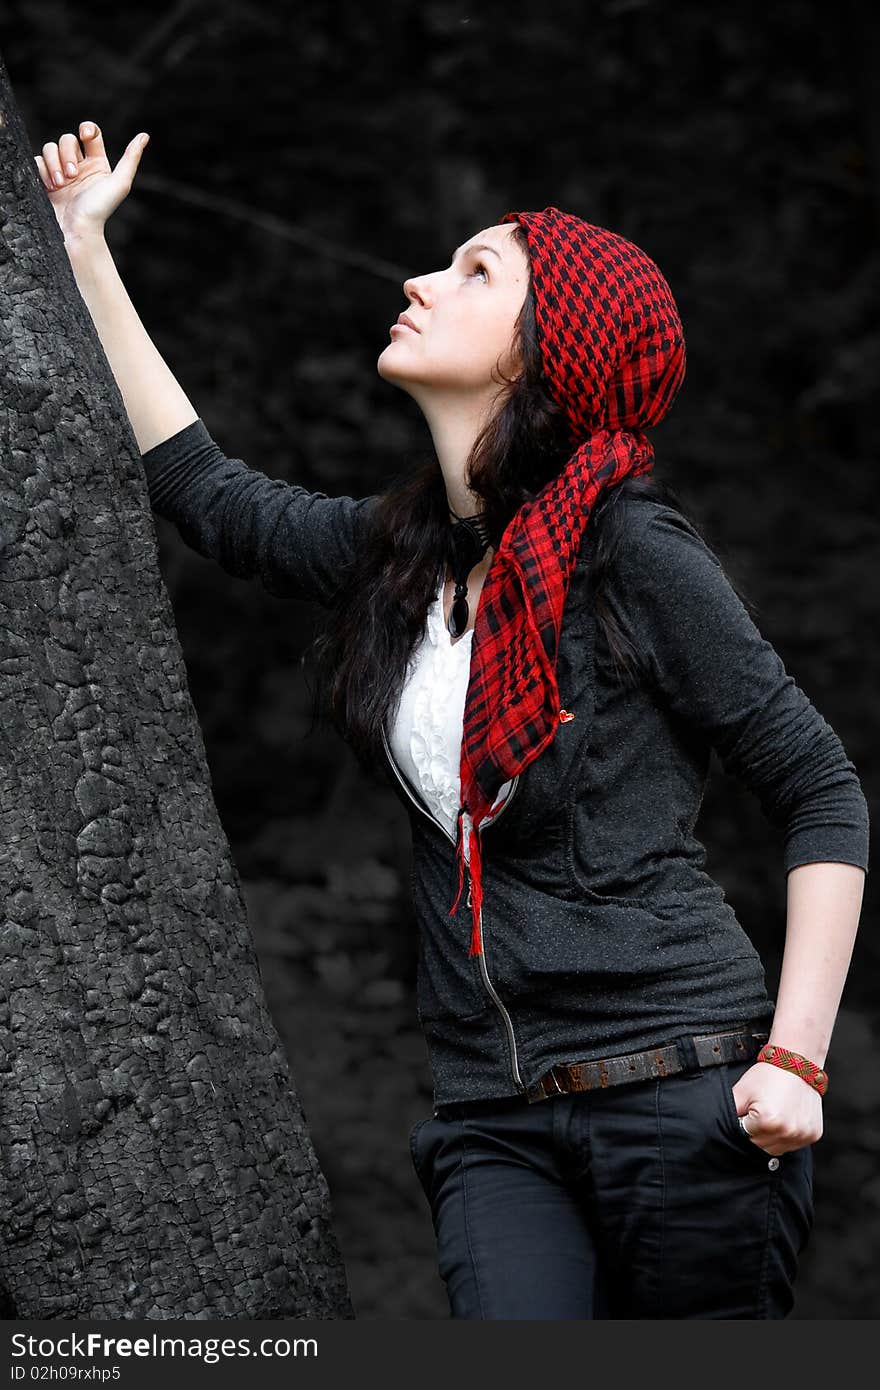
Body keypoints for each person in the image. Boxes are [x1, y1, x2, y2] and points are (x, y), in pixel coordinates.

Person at [37, 122, 869, 1320]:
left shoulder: (632, 549)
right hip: (493, 1121)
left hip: (683, 1093)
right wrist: (85, 251)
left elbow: (819, 788)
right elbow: (207, 495)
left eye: (478, 270)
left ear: (547, 349)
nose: (421, 281)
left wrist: (794, 1057)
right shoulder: (402, 556)